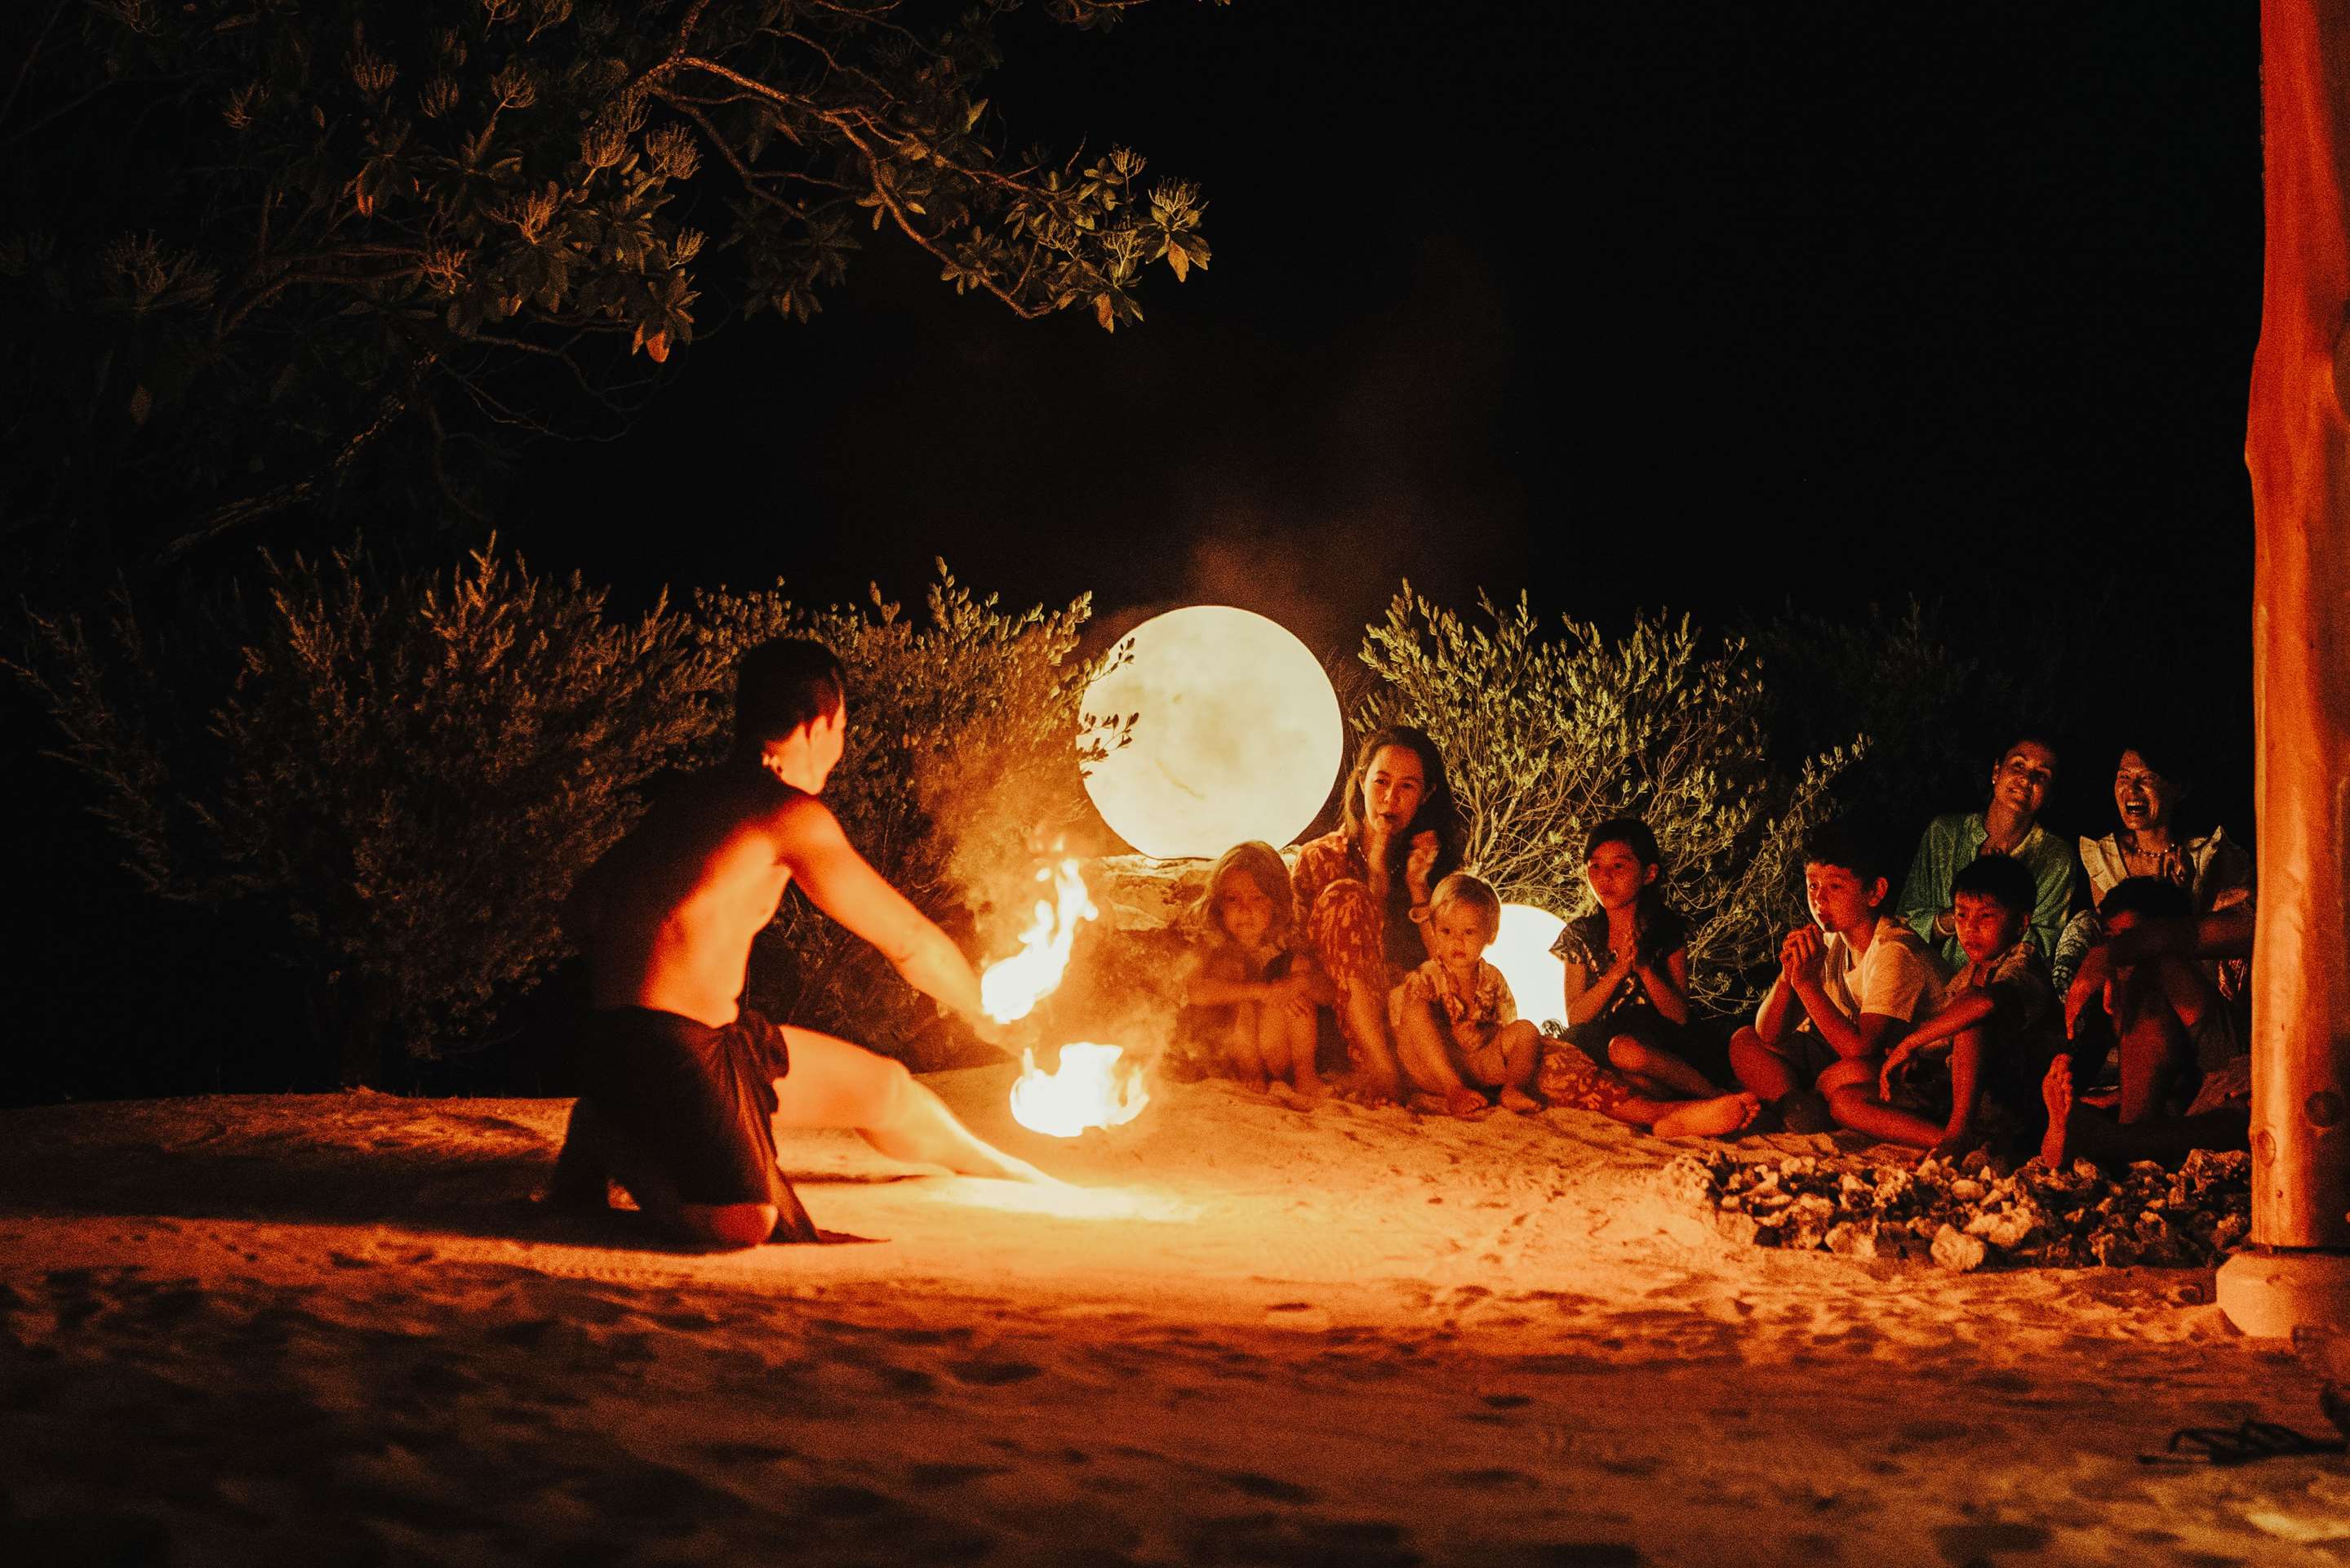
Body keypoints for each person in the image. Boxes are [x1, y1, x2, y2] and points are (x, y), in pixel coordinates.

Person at [549, 637, 1049, 1249]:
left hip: (682, 1040)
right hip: (666, 1052)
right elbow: (909, 940)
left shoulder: (688, 798)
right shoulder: (789, 815)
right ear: (818, 725)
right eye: (842, 726)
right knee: (742, 1221)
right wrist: (984, 1012)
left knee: (887, 1089)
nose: (841, 745)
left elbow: (579, 908)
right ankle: (610, 1134)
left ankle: (1004, 1170)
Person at [1291, 726, 1486, 1115]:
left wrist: (1417, 888)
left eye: (1407, 787)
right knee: (1345, 896)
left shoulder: (1433, 869)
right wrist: (1374, 868)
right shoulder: (1318, 858)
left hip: (1409, 1022)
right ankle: (1379, 1068)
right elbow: (1297, 951)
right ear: (1361, 780)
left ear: (1426, 795)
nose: (1390, 798)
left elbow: (1451, 965)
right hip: (1336, 1017)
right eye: (1381, 781)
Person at [1730, 820, 1948, 1133]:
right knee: (1744, 1041)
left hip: (1916, 1069)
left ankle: (1795, 1107)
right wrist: (1788, 975)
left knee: (1843, 1076)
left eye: (1835, 886)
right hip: (1851, 1057)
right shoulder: (1830, 941)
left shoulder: (1895, 949)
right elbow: (1769, 1034)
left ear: (1875, 892)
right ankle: (1795, 1106)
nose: (1819, 899)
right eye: (1812, 885)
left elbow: (1862, 1049)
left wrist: (1806, 985)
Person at [2037, 880, 2253, 1169]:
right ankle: (2119, 1138)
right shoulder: (2115, 993)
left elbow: (2165, 941)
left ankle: (2114, 1142)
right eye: (2110, 938)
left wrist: (2113, 955)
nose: (2122, 951)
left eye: (2129, 938)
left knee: (2246, 1116)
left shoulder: (2176, 971)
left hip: (2246, 1071)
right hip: (2199, 1089)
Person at [1864, 854, 2060, 1156]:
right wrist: (1915, 1054)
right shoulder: (1967, 974)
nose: (1970, 928)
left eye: (1986, 917)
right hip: (1960, 1099)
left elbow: (1982, 1004)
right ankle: (1945, 1138)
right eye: (1961, 915)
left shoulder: (2024, 963)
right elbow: (1945, 1035)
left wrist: (1911, 1043)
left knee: (1970, 1018)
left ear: (2021, 923)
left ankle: (1957, 1136)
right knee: (1847, 1097)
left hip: (2014, 1101)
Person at [2052, 743, 2254, 1000]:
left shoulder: (2211, 854)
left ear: (2177, 788)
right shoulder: (2104, 855)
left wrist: (2188, 892)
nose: (2132, 789)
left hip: (2194, 990)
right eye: (2124, 777)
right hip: (2129, 992)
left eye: (2146, 778)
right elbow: (2114, 931)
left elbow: (2228, 936)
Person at [1549, 816, 1722, 1104]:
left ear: (1649, 873)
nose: (1605, 877)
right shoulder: (1580, 934)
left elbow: (1679, 1014)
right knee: (1623, 1070)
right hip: (1599, 1039)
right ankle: (1691, 1102)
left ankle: (1714, 1096)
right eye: (1595, 866)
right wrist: (1616, 973)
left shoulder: (1666, 932)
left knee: (1627, 1052)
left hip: (1657, 1039)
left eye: (1618, 866)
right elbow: (1576, 1016)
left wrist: (1644, 969)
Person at [1897, 736, 2081, 968]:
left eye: (2041, 775)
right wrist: (1956, 918)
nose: (2026, 779)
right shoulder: (1945, 833)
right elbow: (1904, 924)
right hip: (1923, 977)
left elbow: (2042, 945)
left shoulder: (2056, 857)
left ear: (2050, 793)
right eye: (2018, 765)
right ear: (1997, 771)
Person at [1175, 841, 1327, 1098]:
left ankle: (1305, 1075)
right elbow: (1195, 991)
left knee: (1298, 977)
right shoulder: (1215, 946)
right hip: (1231, 1049)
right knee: (1235, 979)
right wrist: (1259, 992)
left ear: (1277, 903)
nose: (1245, 910)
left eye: (1257, 898)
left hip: (1278, 1046)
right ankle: (1252, 1075)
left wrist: (1297, 986)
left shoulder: (1288, 944)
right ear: (1219, 904)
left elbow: (1329, 993)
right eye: (1233, 899)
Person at [1388, 873, 1544, 1113]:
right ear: (1435, 931)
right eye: (1447, 932)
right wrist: (1448, 1033)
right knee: (1415, 1008)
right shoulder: (1428, 975)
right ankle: (1454, 1090)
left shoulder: (1493, 978)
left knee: (1526, 1030)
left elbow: (1507, 1022)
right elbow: (1406, 1025)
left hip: (1478, 1067)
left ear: (1490, 935)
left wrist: (1487, 1032)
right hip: (1435, 1068)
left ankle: (1513, 1089)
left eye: (1468, 932)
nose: (1457, 942)